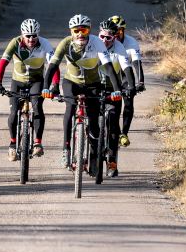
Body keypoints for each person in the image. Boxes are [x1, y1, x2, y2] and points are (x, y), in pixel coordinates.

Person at [41, 14, 126, 171]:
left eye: (84, 30)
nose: (80, 34)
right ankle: (66, 149)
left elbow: (108, 68)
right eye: (76, 30)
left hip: (93, 84)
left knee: (94, 121)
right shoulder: (65, 43)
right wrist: (46, 87)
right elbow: (52, 66)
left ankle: (93, 158)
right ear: (71, 31)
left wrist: (117, 90)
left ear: (89, 30)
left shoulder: (96, 43)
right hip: (71, 82)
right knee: (70, 108)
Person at [0, 18, 55, 160]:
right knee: (13, 112)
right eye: (28, 36)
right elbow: (3, 62)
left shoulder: (45, 43)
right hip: (18, 82)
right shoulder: (15, 43)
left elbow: (53, 65)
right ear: (22, 35)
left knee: (38, 108)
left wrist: (55, 85)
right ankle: (12, 144)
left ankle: (38, 143)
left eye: (34, 36)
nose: (31, 39)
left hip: (36, 81)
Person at [98, 19, 135, 178]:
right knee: (91, 121)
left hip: (114, 89)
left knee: (113, 124)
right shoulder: (92, 44)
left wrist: (131, 86)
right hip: (94, 86)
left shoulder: (119, 48)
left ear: (114, 37)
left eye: (109, 38)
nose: (104, 41)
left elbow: (127, 68)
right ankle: (90, 155)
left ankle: (112, 162)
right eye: (102, 37)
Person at [108, 14, 144, 147]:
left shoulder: (131, 42)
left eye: (119, 31)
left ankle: (124, 133)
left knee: (128, 101)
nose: (116, 34)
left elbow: (137, 63)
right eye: (113, 31)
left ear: (124, 30)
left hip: (125, 74)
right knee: (114, 105)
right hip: (110, 74)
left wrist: (140, 82)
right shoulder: (105, 40)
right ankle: (114, 130)